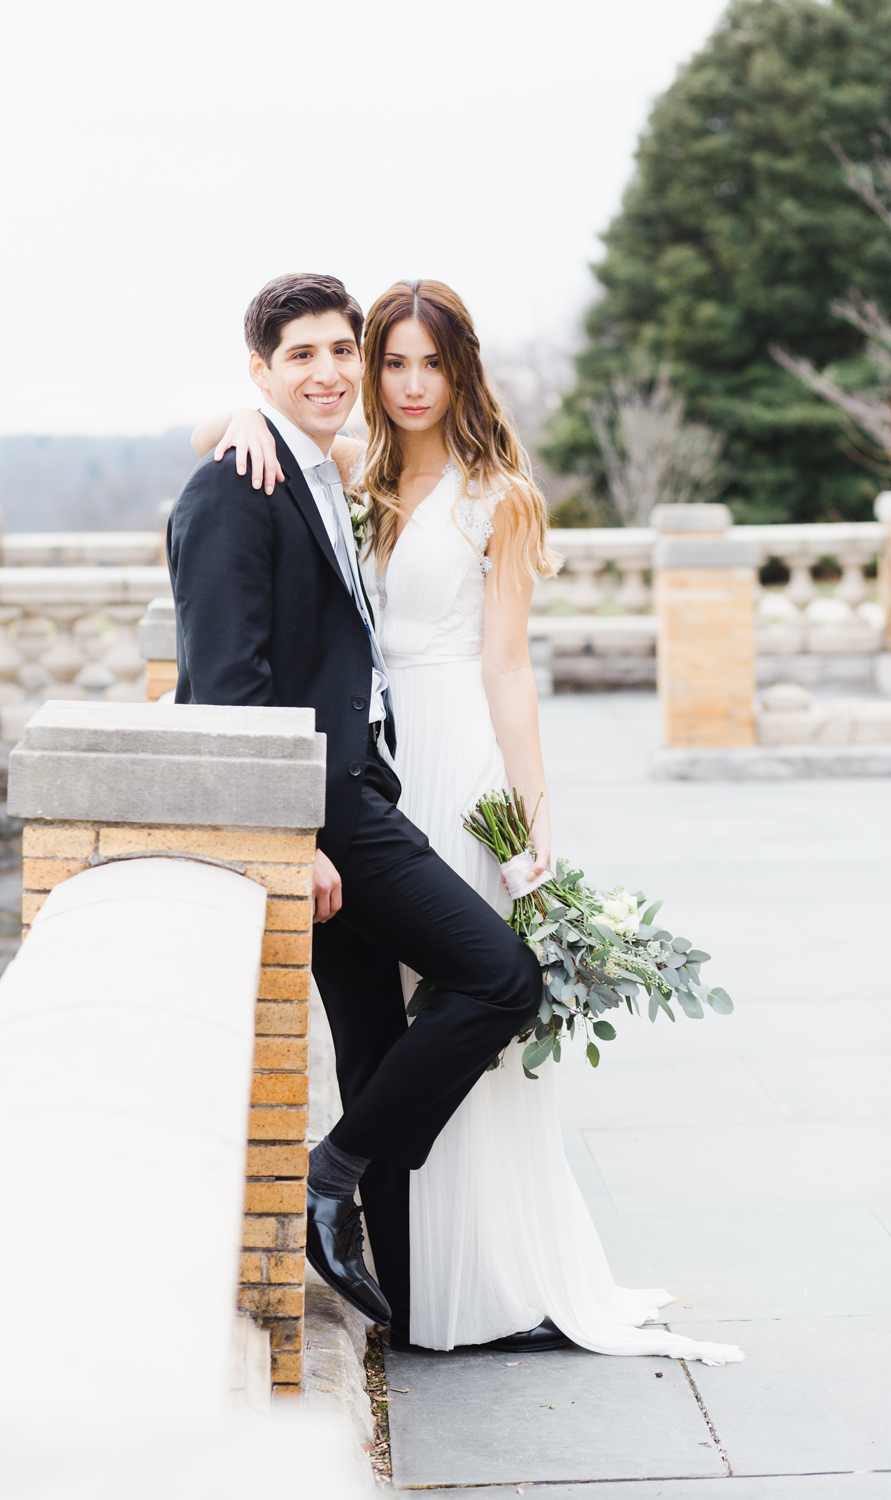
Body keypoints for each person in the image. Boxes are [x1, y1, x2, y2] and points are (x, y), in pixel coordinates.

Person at [194, 278, 744, 1367]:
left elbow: (508, 669)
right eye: (389, 363)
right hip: (366, 769)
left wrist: (532, 821)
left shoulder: (500, 495)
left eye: (428, 364)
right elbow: (236, 429)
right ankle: (413, 1290)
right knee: (376, 1033)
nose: (406, 385)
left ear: (461, 371)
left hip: (455, 764)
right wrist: (242, 417)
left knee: (481, 999)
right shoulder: (352, 472)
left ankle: (473, 1264)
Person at [168, 272, 550, 1353]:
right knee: (480, 988)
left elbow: (508, 665)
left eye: (349, 352)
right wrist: (291, 834)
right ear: (264, 370)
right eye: (313, 356)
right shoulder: (275, 474)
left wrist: (536, 822)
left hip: (401, 774)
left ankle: (410, 1291)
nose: (346, 373)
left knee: (414, 1024)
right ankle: (335, 1182)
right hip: (334, 799)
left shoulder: (347, 472)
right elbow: (226, 688)